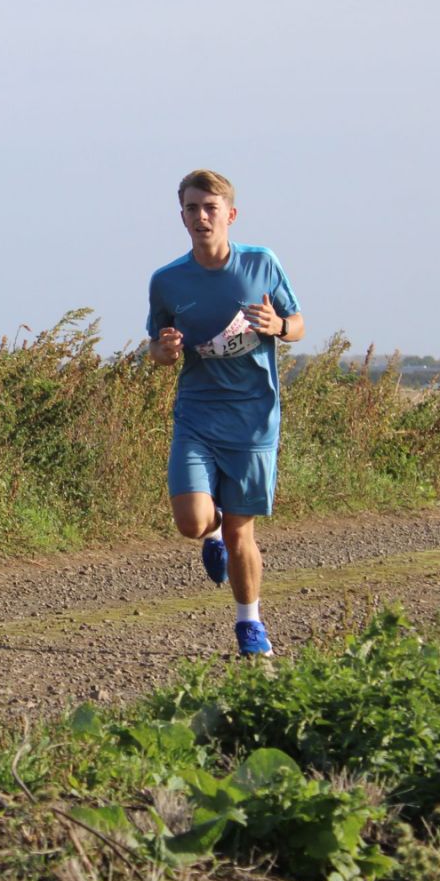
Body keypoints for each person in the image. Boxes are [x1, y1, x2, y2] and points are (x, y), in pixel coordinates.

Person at [146, 169, 302, 658]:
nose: (201, 217)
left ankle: (249, 623)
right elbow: (156, 347)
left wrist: (278, 325)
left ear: (230, 215)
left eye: (210, 208)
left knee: (240, 531)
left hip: (253, 420)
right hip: (197, 415)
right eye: (192, 208)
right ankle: (207, 533)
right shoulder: (167, 281)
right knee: (192, 522)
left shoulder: (261, 263)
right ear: (182, 217)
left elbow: (298, 323)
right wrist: (165, 350)